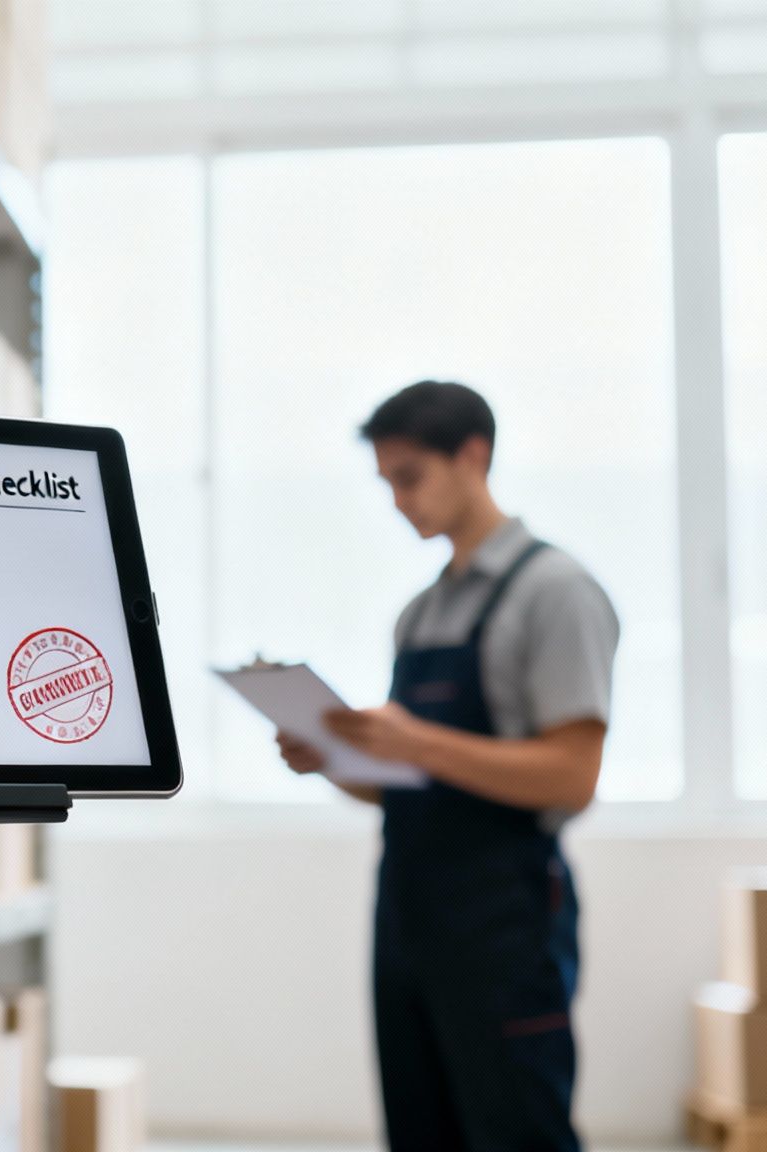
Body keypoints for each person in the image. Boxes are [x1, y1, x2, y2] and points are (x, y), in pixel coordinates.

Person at [277, 381, 620, 1152]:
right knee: (419, 1126)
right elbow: (409, 784)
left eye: (410, 477)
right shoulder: (420, 613)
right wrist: (330, 760)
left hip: (505, 919)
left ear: (475, 455)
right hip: (407, 913)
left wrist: (419, 741)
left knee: (515, 1128)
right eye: (387, 482)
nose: (399, 502)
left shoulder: (555, 594)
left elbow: (572, 777)